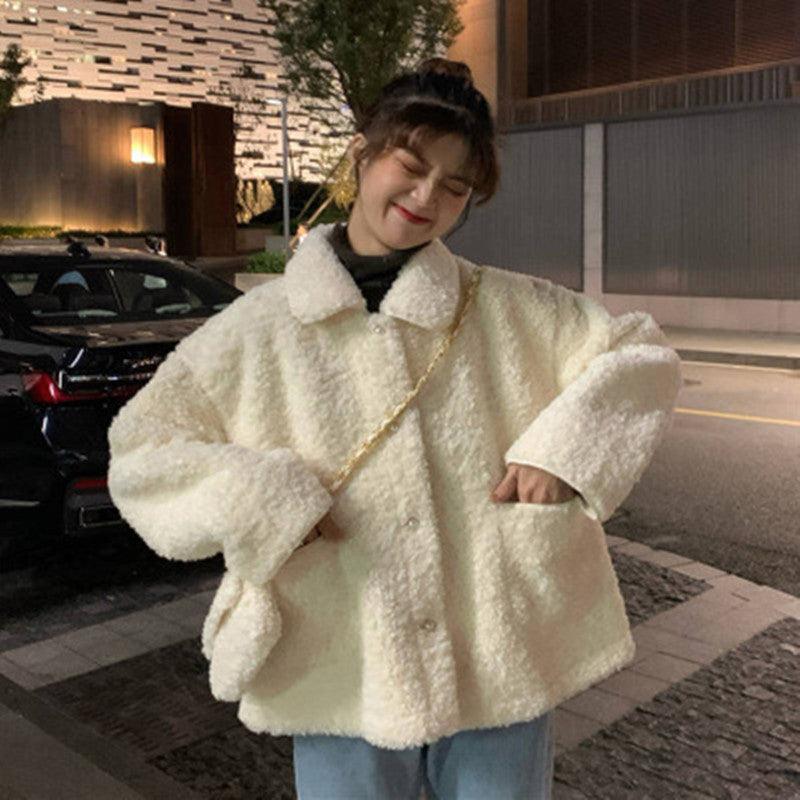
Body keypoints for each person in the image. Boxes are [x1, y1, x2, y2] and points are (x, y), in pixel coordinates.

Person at [106, 58, 683, 799]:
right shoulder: (259, 331)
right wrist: (263, 501)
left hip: (494, 652)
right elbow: (142, 450)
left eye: (454, 187)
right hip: (341, 661)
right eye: (410, 168)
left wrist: (565, 452)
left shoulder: (504, 307)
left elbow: (639, 350)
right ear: (363, 154)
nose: (425, 198)